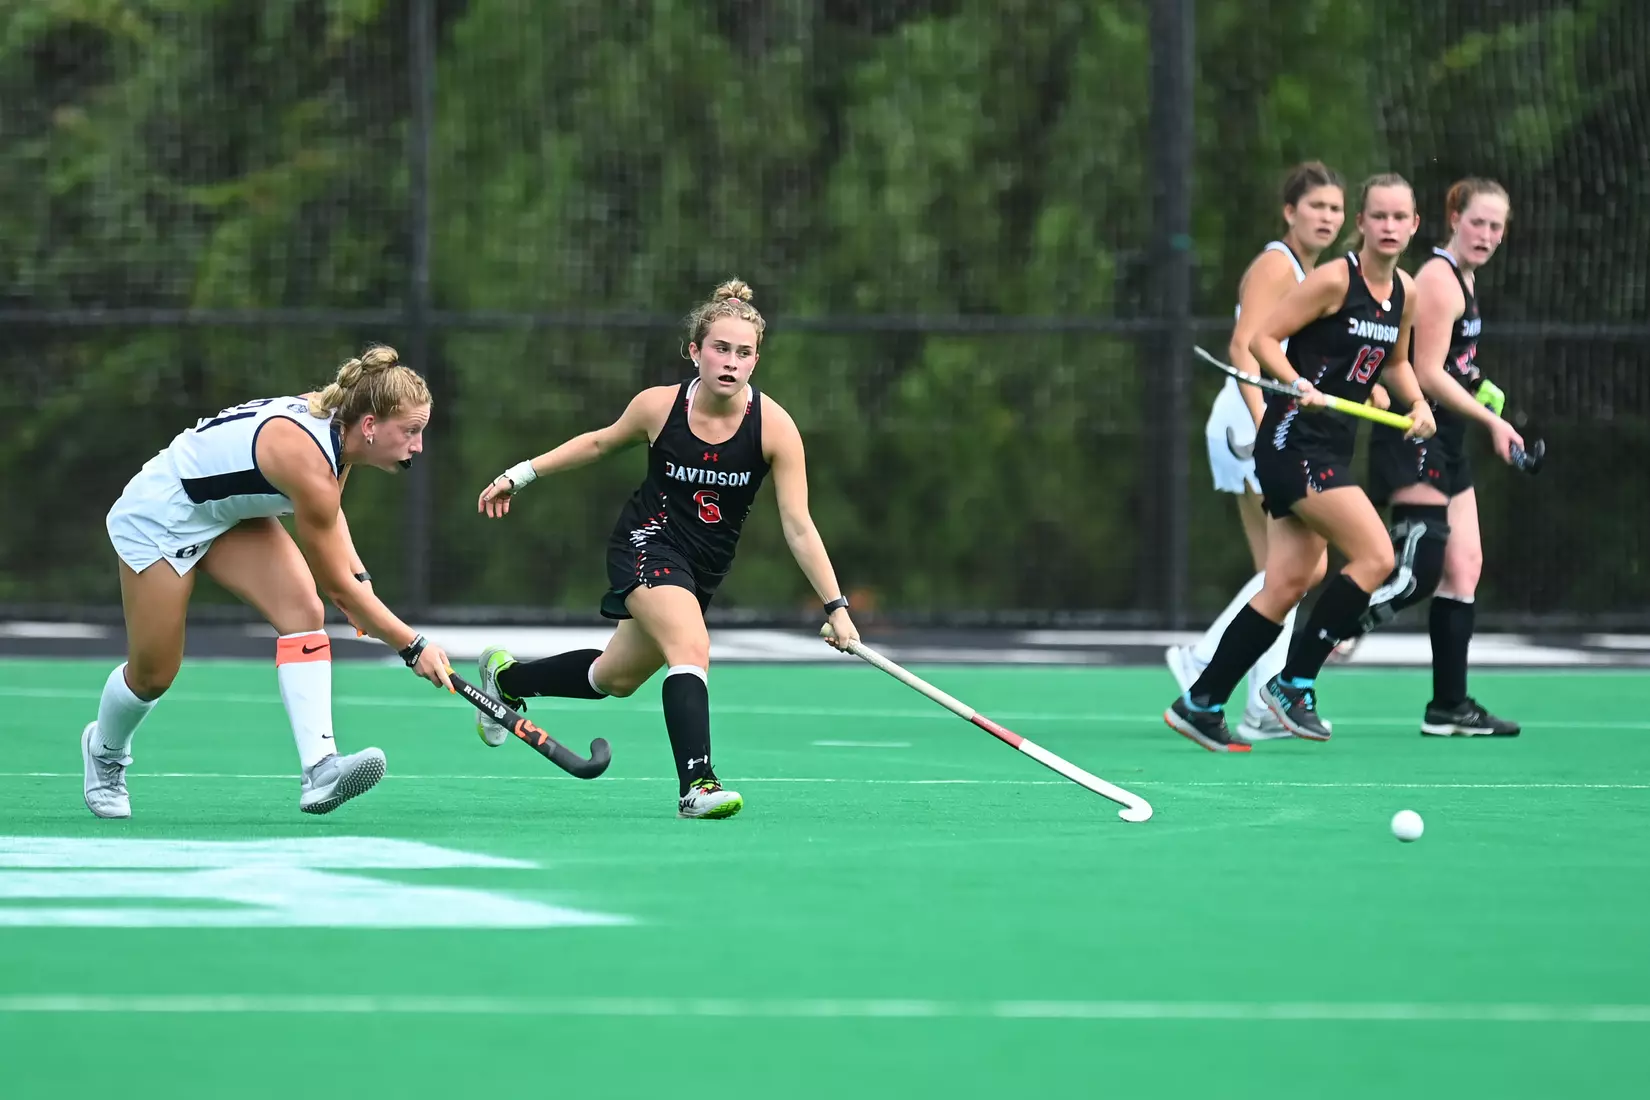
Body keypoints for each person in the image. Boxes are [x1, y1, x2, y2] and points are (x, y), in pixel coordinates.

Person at [473, 279, 861, 819]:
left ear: (756, 360)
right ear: (694, 351)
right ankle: (697, 785)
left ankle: (506, 678)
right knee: (690, 647)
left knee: (614, 678)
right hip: (646, 544)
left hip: (702, 569)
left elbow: (799, 525)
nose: (731, 362)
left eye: (743, 353)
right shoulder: (660, 407)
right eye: (720, 349)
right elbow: (599, 442)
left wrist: (836, 607)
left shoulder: (774, 427)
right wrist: (520, 474)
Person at [87, 345, 456, 818]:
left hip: (229, 513)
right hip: (161, 516)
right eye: (411, 431)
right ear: (371, 426)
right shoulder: (308, 459)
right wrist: (412, 645)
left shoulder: (337, 432)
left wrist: (361, 580)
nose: (417, 446)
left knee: (303, 613)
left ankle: (320, 770)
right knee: (154, 674)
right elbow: (338, 586)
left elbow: (334, 527)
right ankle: (105, 751)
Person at [1164, 174, 1437, 750]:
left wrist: (1415, 403)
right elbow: (1262, 339)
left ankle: (1202, 701)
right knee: (1376, 555)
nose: (1388, 227)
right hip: (1294, 440)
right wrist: (1296, 383)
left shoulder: (1405, 293)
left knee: (1289, 580)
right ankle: (1294, 684)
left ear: (1413, 226)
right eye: (1377, 217)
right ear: (1361, 224)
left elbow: (1394, 365)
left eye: (1399, 218)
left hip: (1331, 445)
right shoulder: (1335, 280)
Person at [1166, 161, 1346, 742]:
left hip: (1271, 423)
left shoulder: (1315, 272)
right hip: (1250, 422)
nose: (1327, 217)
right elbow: (1244, 350)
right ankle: (1214, 667)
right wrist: (1264, 420)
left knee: (1289, 569)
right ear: (1290, 211)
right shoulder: (1276, 264)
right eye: (1316, 206)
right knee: (1298, 568)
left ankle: (1235, 689)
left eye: (1336, 209)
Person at [1361, 178, 1523, 736]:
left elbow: (1455, 363)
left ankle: (1448, 706)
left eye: (1496, 226)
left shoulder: (1467, 281)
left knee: (1465, 569)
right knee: (1418, 572)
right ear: (1453, 217)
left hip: (1449, 438)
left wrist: (1482, 389)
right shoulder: (1437, 279)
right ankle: (1330, 633)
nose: (1485, 234)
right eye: (1477, 221)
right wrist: (1493, 421)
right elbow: (1425, 371)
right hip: (1416, 432)